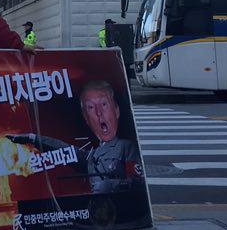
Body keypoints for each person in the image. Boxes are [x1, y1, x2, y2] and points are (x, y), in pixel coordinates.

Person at [10, 79, 142, 194]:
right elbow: (65, 150)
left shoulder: (127, 147)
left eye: (103, 104)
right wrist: (32, 138)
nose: (99, 113)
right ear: (87, 119)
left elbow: (139, 182)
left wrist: (111, 185)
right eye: (91, 107)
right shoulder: (92, 156)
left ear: (116, 110)